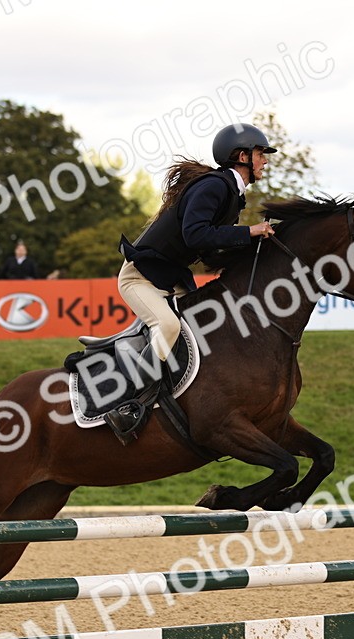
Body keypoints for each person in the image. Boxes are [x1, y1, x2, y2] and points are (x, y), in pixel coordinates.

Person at [106, 122, 277, 435]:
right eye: (260, 154)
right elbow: (195, 234)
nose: (265, 160)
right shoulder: (215, 186)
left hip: (169, 280)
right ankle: (127, 403)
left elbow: (211, 253)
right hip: (140, 279)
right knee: (168, 326)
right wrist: (248, 232)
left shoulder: (231, 195)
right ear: (241, 156)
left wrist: (253, 246)